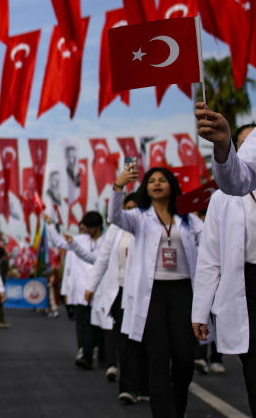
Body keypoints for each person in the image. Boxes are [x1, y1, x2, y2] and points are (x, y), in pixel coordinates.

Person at [192, 121, 256, 415]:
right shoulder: (223, 198)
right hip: (250, 290)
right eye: (248, 143)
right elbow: (210, 258)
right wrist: (200, 311)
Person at [110, 163, 200, 418]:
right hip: (152, 296)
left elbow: (209, 245)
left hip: (184, 292)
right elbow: (115, 216)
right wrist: (118, 187)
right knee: (157, 358)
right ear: (146, 188)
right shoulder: (138, 217)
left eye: (163, 179)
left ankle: (177, 407)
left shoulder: (189, 218)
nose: (157, 183)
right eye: (152, 181)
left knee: (184, 359)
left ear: (172, 185)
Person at [84, 192, 148, 404]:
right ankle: (128, 387)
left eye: (135, 207)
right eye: (127, 207)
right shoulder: (115, 229)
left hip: (146, 292)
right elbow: (102, 259)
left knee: (146, 340)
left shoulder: (150, 225)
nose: (131, 211)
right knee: (126, 340)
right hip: (120, 291)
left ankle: (146, 387)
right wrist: (91, 286)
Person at [46, 211, 104, 370]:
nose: (87, 230)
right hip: (82, 290)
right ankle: (86, 355)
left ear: (98, 227)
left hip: (100, 289)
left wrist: (75, 245)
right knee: (84, 324)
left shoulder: (107, 241)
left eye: (90, 227)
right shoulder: (79, 239)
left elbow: (94, 259)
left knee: (99, 325)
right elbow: (58, 242)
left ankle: (100, 354)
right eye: (85, 227)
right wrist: (50, 225)